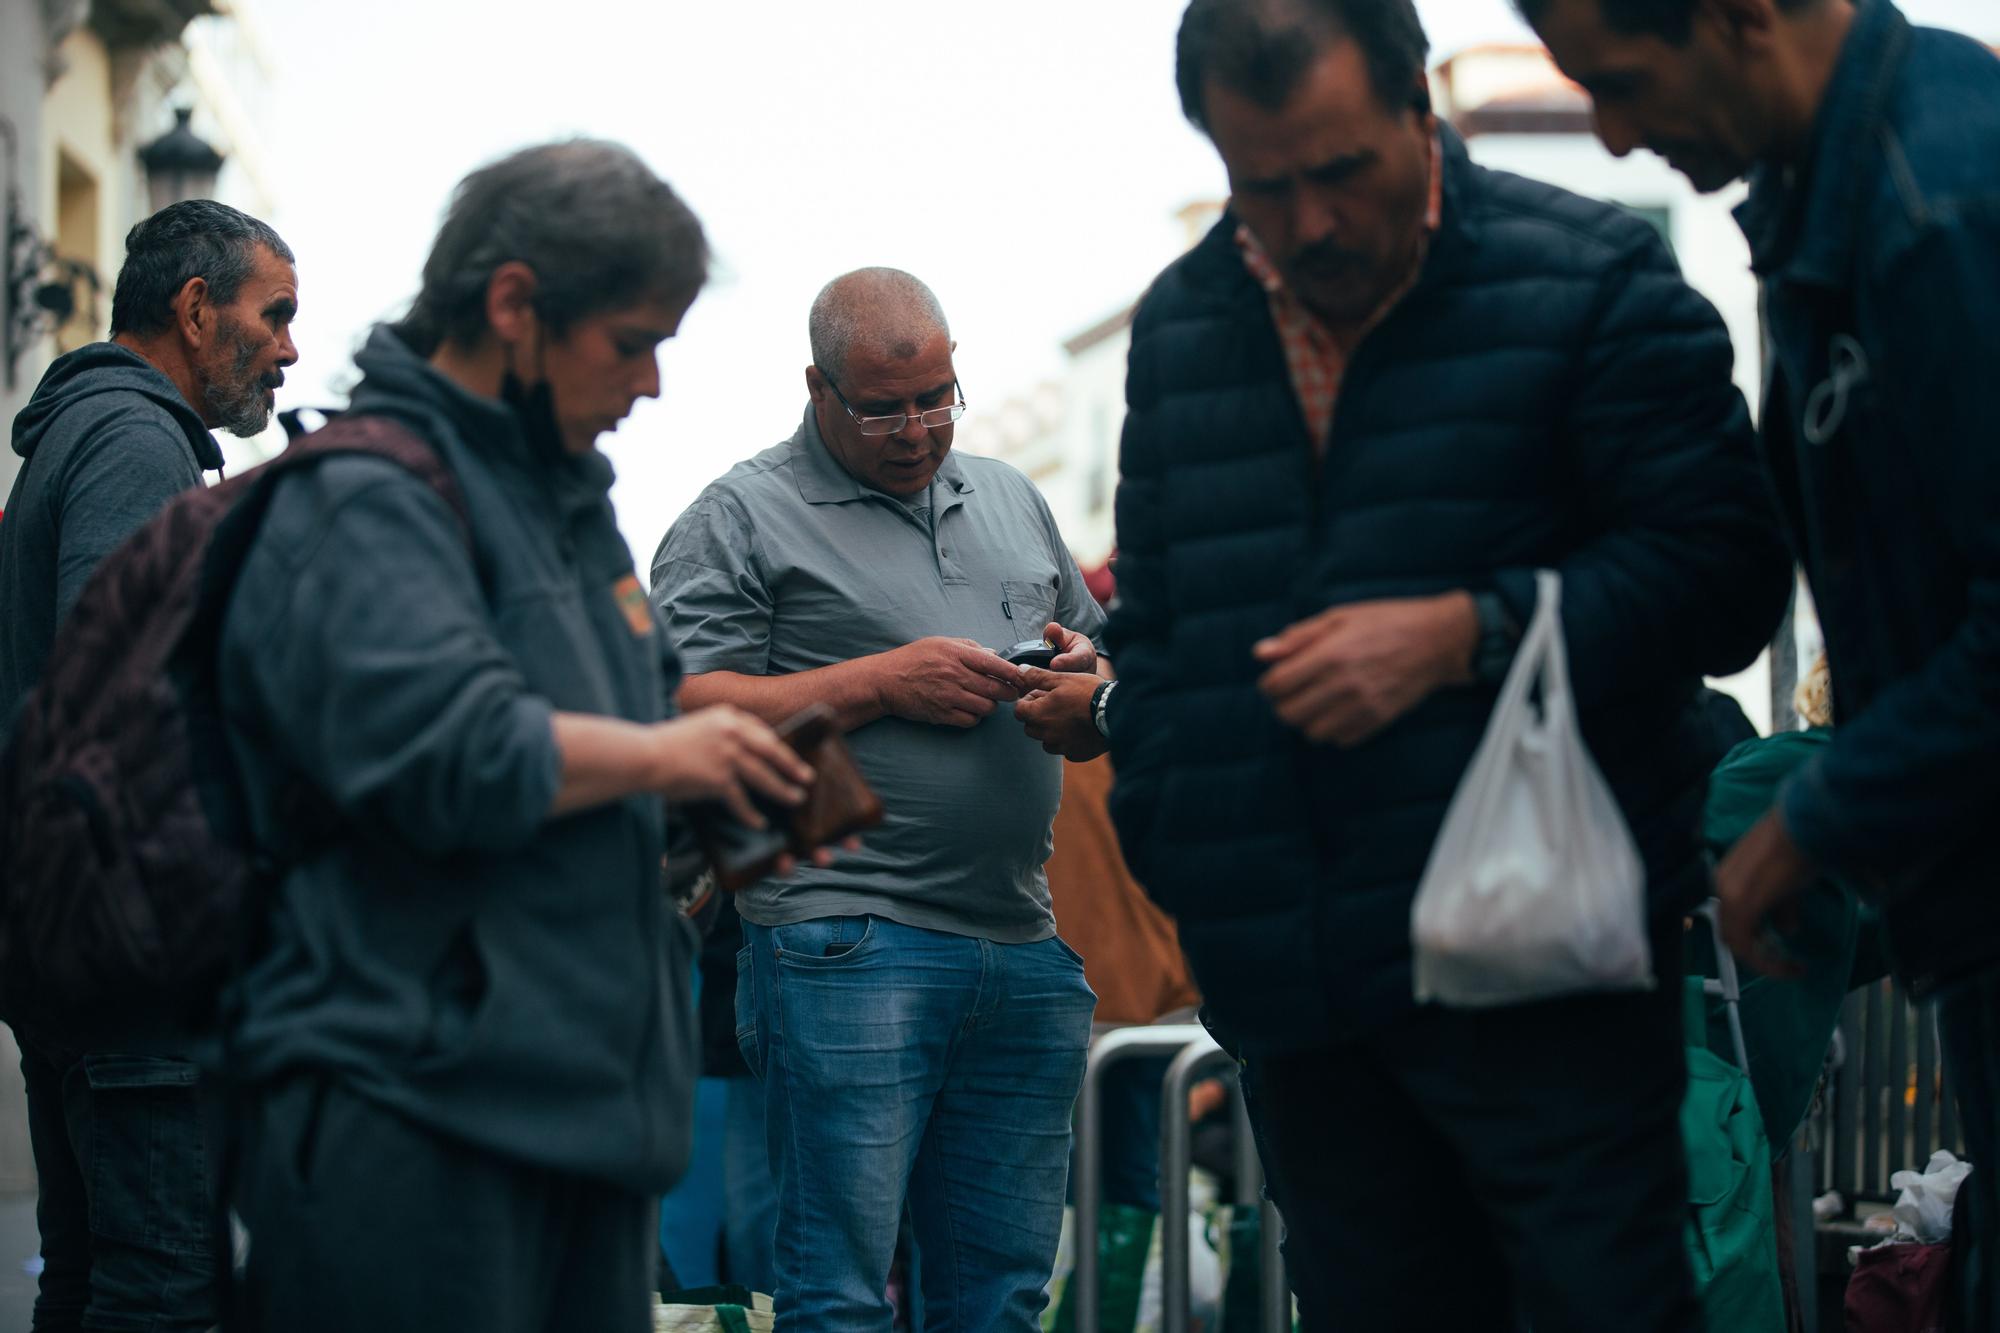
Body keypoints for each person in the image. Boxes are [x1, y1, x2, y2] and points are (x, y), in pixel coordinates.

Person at [1093, 0, 1797, 1327]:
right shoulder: (1185, 325)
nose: (1307, 224)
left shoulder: (1589, 275)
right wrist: (1189, 856)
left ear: (1421, 105)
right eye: (1261, 186)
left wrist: (1471, 631)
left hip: (1554, 979)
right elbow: (1161, 633)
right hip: (1301, 1001)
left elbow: (1727, 580)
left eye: (1342, 170)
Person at [214, 140, 817, 1333]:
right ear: (512, 307)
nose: (648, 384)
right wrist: (668, 757)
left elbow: (642, 713)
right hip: (413, 1119)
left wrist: (733, 788)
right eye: (631, 340)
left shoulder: (568, 494)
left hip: (582, 1107)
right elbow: (448, 748)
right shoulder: (364, 494)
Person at [1513, 0, 2000, 1324]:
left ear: (1743, 16)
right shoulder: (1822, 212)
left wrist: (1819, 816)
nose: (1614, 137)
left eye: (1622, 84)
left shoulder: (1937, 198)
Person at [650, 267, 1104, 1331]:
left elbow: (1092, 639)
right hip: (843, 937)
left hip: (1020, 933)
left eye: (937, 397)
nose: (917, 430)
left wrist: (1083, 678)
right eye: (882, 407)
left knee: (999, 1296)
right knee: (837, 1293)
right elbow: (673, 707)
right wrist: (875, 682)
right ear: (816, 388)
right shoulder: (741, 512)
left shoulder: (1008, 494)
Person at [0, 198, 296, 1333]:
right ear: (193, 307)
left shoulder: (100, 433)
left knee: (93, 1276)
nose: (288, 348)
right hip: (131, 948)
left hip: (79, 934)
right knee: (162, 1289)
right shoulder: (135, 441)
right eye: (273, 316)